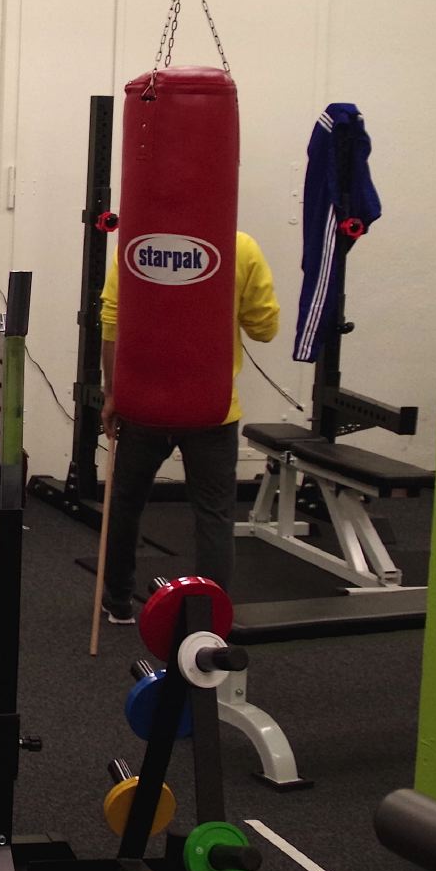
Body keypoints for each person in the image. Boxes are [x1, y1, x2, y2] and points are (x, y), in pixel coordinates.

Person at [99, 230, 279, 622]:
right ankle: (208, 621)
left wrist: (113, 393)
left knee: (125, 503)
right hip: (210, 407)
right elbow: (264, 329)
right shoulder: (241, 246)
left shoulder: (135, 242)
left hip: (144, 403)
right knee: (214, 515)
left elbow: (112, 321)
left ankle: (117, 602)